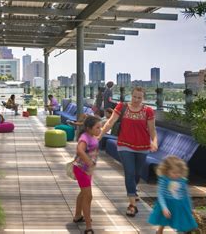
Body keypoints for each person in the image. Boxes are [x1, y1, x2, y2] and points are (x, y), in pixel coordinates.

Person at [98, 86, 158, 217]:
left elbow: (152, 130)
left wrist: (154, 142)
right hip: (125, 145)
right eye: (135, 96)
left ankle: (133, 190)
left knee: (137, 173)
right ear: (131, 95)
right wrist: (100, 135)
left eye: (139, 97)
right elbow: (110, 122)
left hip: (142, 147)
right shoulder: (122, 107)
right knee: (129, 172)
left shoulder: (148, 111)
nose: (136, 100)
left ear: (143, 98)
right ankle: (132, 204)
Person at [148, 156, 198, 234]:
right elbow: (161, 194)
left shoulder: (182, 180)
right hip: (167, 203)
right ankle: (160, 230)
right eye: (174, 172)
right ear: (167, 171)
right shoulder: (164, 180)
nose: (177, 175)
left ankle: (180, 231)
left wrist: (190, 207)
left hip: (180, 205)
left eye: (179, 172)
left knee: (180, 220)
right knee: (163, 218)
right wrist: (164, 208)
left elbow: (186, 194)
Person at [72, 116, 102, 234]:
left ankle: (78, 216)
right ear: (89, 128)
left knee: (83, 193)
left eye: (100, 127)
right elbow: (79, 150)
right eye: (97, 127)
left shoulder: (92, 136)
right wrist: (89, 163)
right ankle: (88, 226)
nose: (99, 129)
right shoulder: (85, 137)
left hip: (87, 170)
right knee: (88, 196)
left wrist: (91, 166)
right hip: (81, 170)